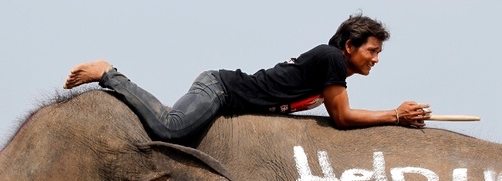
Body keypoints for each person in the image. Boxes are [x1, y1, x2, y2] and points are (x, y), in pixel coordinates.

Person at [63, 14, 431, 142]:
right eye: (372, 50)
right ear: (350, 46)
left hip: (229, 96)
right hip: (221, 90)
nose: (376, 59)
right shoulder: (332, 59)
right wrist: (395, 115)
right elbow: (342, 117)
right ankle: (107, 73)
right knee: (171, 129)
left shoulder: (331, 66)